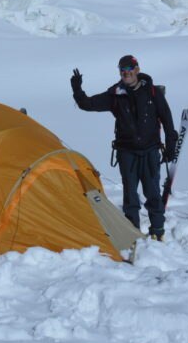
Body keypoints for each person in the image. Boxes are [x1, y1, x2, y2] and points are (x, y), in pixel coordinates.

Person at [71, 55, 177, 240]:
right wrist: (77, 89)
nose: (126, 73)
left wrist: (171, 146)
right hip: (126, 152)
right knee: (130, 195)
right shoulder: (115, 95)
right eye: (122, 70)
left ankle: (158, 231)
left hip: (150, 150)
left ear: (137, 70)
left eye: (129, 69)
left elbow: (167, 120)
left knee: (152, 192)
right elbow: (87, 104)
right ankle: (133, 234)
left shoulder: (152, 93)